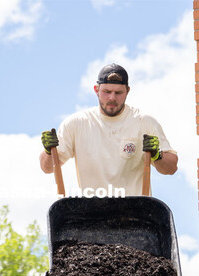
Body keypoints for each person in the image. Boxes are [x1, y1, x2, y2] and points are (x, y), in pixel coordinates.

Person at [39, 63, 178, 196]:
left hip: (135, 214)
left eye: (118, 93)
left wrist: (157, 155)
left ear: (127, 91)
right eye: (107, 92)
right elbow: (48, 168)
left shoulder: (144, 122)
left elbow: (171, 168)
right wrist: (48, 152)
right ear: (96, 90)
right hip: (92, 213)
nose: (112, 98)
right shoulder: (76, 124)